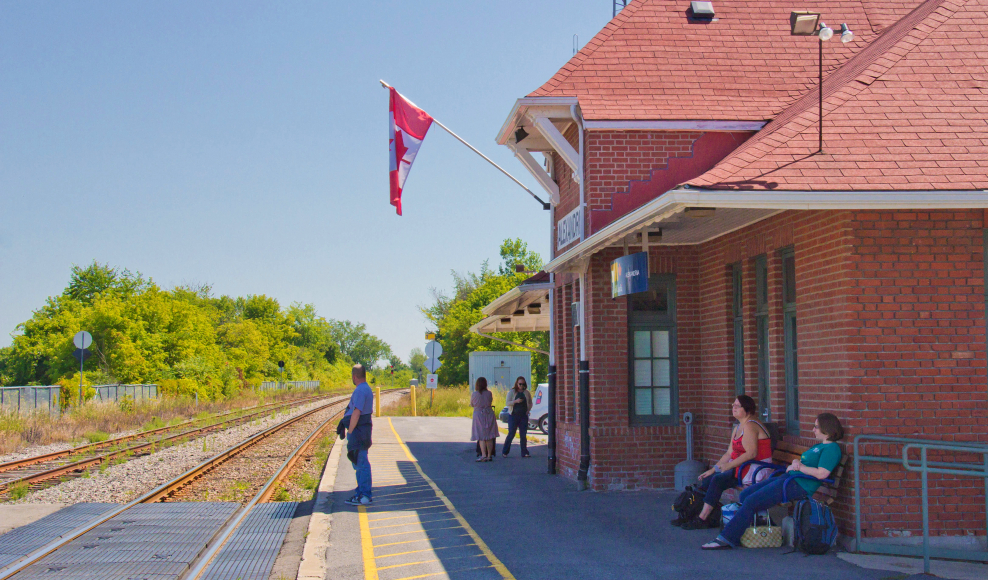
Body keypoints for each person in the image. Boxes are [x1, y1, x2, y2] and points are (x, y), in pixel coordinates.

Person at [701, 413, 845, 550]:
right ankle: (764, 528)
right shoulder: (819, 446)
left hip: (799, 485)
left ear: (827, 429)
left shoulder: (832, 449)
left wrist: (800, 467)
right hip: (789, 478)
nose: (813, 429)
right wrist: (796, 462)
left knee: (751, 501)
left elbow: (822, 473)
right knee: (746, 494)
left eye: (816, 427)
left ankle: (726, 539)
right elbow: (805, 461)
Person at [675, 395, 772, 529]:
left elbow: (752, 453)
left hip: (756, 470)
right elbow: (729, 453)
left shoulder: (751, 425)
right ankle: (691, 514)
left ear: (747, 409)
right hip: (742, 468)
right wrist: (713, 469)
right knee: (708, 479)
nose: (734, 408)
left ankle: (702, 518)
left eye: (737, 406)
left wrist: (729, 466)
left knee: (717, 480)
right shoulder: (738, 427)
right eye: (733, 405)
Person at [341, 364, 374, 506]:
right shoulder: (365, 388)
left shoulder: (360, 390)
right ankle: (360, 493)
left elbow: (356, 412)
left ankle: (365, 495)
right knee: (359, 463)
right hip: (361, 430)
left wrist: (350, 431)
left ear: (354, 377)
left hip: (359, 431)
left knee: (361, 463)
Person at [502, 376, 533, 458]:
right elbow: (507, 403)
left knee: (523, 434)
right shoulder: (512, 392)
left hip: (523, 416)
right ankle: (505, 451)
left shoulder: (526, 392)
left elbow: (530, 402)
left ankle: (524, 452)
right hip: (513, 415)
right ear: (516, 383)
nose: (521, 386)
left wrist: (528, 410)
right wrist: (516, 401)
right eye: (520, 384)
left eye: (523, 384)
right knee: (511, 433)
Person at [471, 377, 499, 461]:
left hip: (479, 415)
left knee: (481, 436)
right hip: (489, 413)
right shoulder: (489, 393)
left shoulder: (474, 394)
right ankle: (489, 455)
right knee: (489, 435)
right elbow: (490, 401)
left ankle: (483, 455)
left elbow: (472, 404)